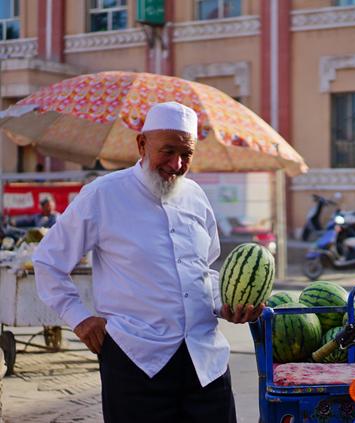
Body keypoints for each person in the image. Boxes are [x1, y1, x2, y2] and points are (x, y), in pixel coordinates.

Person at [33, 102, 262, 422]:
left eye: (187, 154)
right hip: (135, 361)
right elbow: (47, 260)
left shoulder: (196, 196)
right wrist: (80, 318)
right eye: (167, 151)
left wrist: (226, 305)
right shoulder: (102, 195)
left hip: (205, 362)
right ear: (141, 144)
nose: (177, 163)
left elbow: (204, 271)